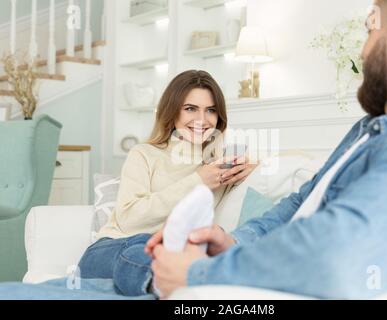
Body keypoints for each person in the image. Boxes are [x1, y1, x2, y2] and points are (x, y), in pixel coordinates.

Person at [147, 0, 387, 299]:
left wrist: (198, 274)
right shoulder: (370, 128)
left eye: (369, 29)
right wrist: (234, 241)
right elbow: (300, 203)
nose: (362, 51)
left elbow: (338, 255)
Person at [75, 70, 256, 297]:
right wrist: (199, 181)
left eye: (210, 110)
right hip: (111, 250)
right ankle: (178, 284)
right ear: (173, 111)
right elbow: (129, 220)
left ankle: (176, 286)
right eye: (190, 108)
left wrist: (250, 169)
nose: (201, 120)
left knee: (168, 254)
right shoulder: (144, 154)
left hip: (170, 256)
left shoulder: (217, 167)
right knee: (146, 246)